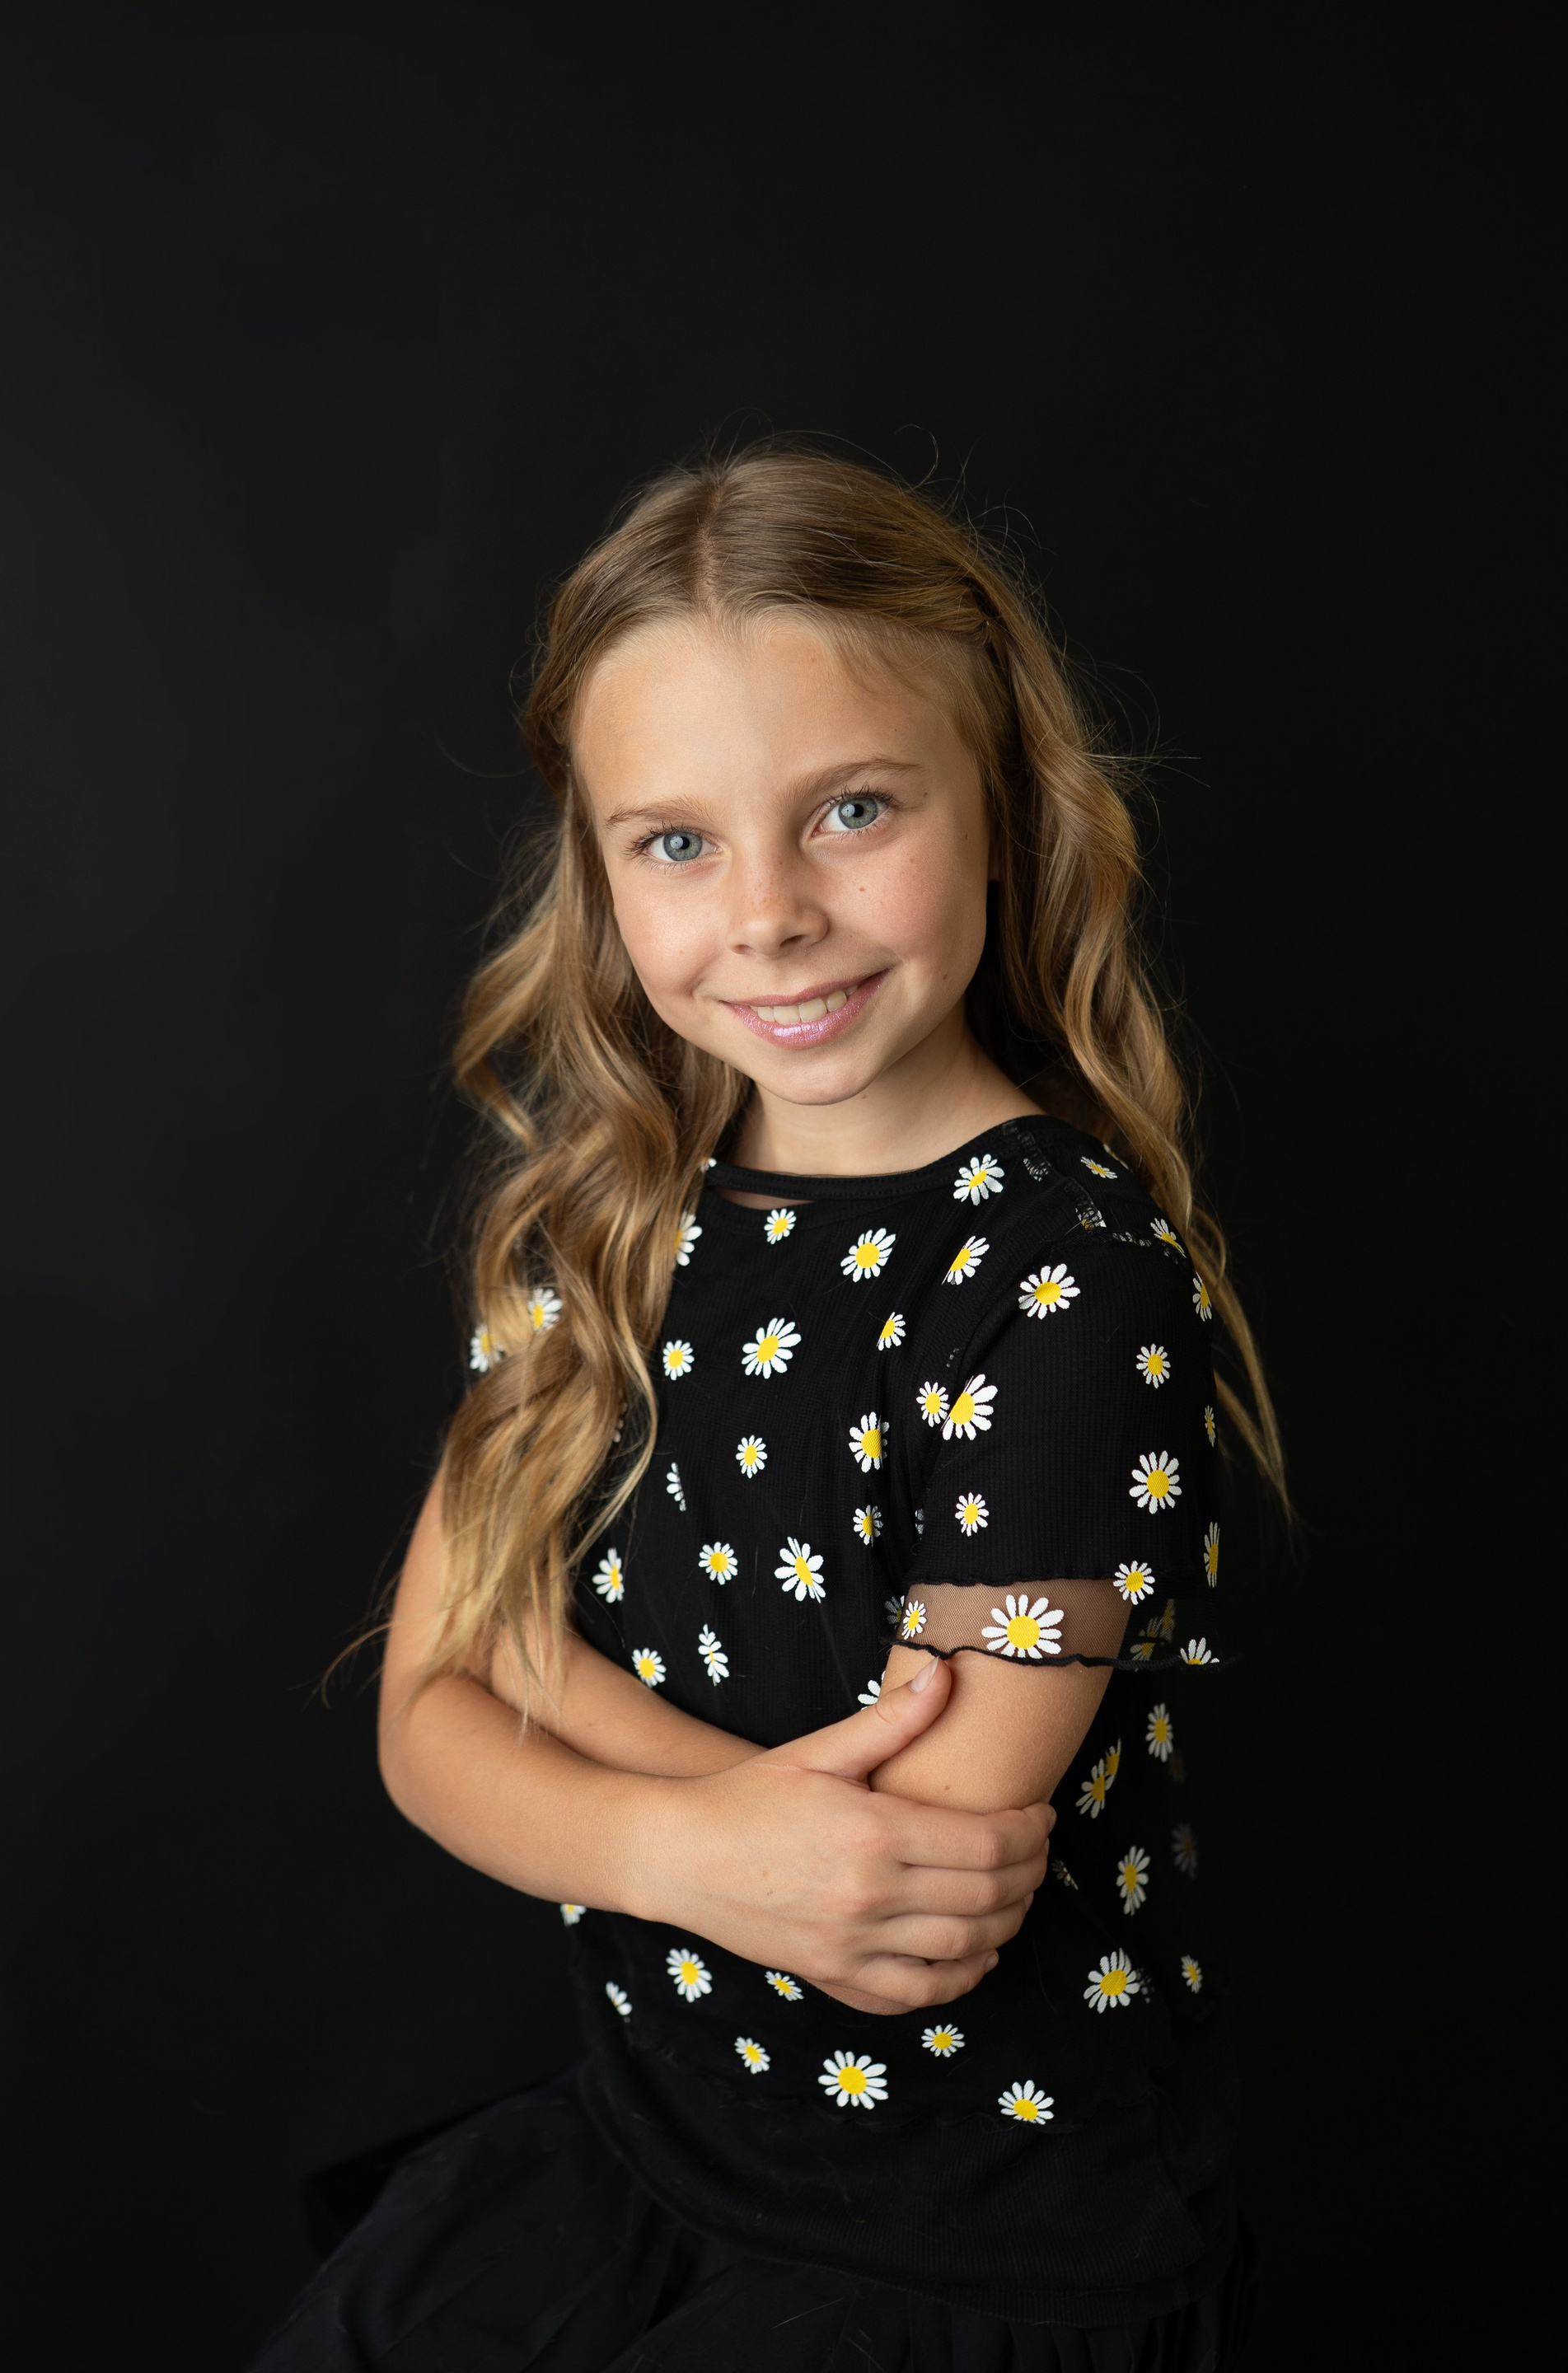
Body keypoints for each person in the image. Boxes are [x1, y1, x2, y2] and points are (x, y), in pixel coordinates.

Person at [253, 443, 1282, 2371]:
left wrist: (546, 1683)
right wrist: (689, 1839)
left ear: (1001, 810)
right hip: (653, 2146)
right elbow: (424, 1712)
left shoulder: (1066, 1286)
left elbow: (903, 1896)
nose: (771, 914)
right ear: (598, 872)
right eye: (677, 843)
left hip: (963, 2238)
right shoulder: (606, 1214)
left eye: (853, 811)